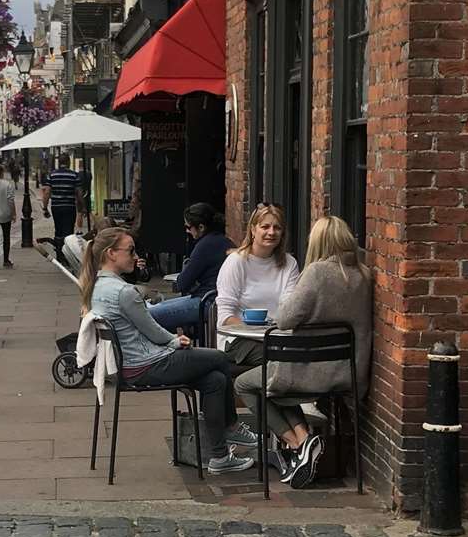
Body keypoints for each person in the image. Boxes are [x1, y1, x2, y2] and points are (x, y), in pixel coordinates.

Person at [80, 227, 255, 474]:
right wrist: (176, 341)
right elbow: (152, 329)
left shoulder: (96, 286)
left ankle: (220, 456)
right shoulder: (124, 292)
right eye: (130, 250)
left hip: (130, 366)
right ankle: (232, 427)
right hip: (146, 366)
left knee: (214, 380)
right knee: (220, 358)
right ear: (111, 254)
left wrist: (172, 342)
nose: (134, 255)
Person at [235, 216, 373, 489]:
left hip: (309, 371)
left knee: (246, 384)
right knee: (272, 382)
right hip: (349, 371)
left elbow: (285, 319)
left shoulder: (318, 272)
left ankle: (299, 444)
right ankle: (304, 444)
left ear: (319, 242)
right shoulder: (364, 274)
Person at [215, 203, 300, 372]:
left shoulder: (290, 264)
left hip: (278, 339)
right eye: (265, 226)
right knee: (283, 359)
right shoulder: (236, 262)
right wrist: (260, 335)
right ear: (253, 230)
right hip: (238, 340)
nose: (271, 232)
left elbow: (289, 308)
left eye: (277, 227)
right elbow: (224, 316)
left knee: (303, 355)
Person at [149, 203, 233, 333]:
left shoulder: (204, 246)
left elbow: (182, 284)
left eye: (188, 227)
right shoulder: (225, 241)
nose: (187, 231)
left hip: (207, 302)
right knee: (159, 306)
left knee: (150, 315)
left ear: (201, 227)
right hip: (215, 300)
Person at [41, 154, 83, 244]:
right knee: (68, 231)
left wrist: (45, 208)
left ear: (59, 162)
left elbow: (47, 192)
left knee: (58, 229)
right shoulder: (74, 175)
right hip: (69, 207)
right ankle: (67, 252)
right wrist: (82, 207)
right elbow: (79, 193)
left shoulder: (52, 175)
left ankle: (59, 251)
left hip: (56, 207)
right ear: (69, 162)